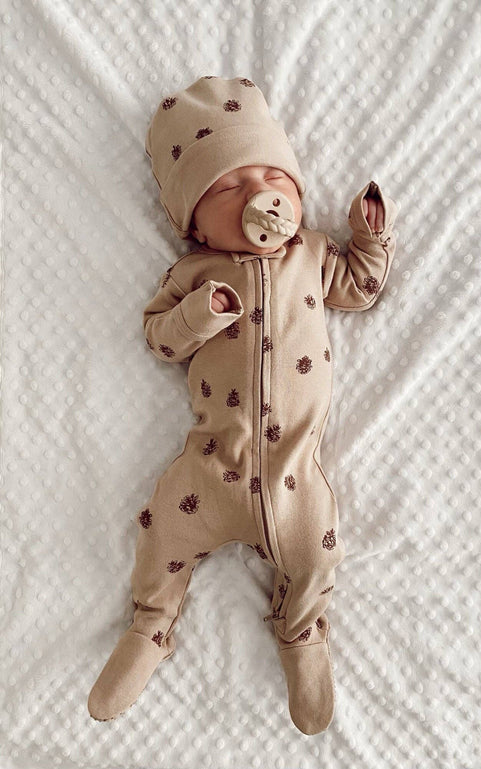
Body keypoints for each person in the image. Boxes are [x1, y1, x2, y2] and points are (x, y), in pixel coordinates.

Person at [88, 75, 398, 735]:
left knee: (318, 551)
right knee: (161, 529)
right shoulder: (194, 274)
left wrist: (369, 237)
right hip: (210, 466)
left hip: (293, 473)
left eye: (275, 177)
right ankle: (150, 625)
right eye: (229, 186)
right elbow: (159, 337)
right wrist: (200, 315)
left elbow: (360, 287)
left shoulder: (312, 254)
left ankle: (302, 629)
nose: (261, 194)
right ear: (192, 221)